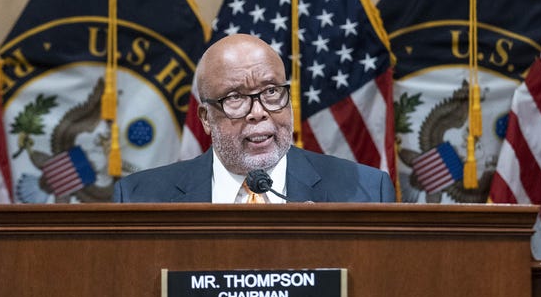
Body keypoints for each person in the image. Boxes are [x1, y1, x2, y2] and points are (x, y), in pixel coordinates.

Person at [113, 34, 395, 203]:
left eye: (271, 91)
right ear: (206, 117)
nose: (258, 112)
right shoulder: (140, 197)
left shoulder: (366, 191)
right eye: (235, 97)